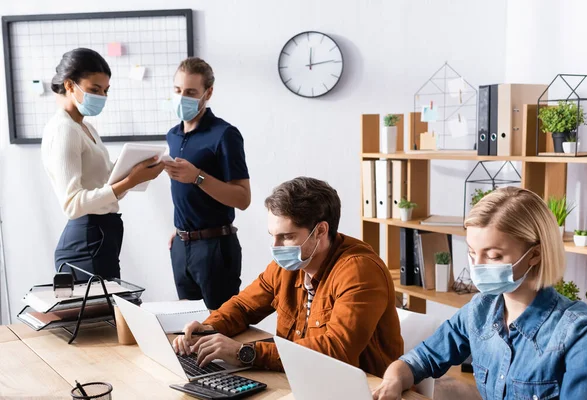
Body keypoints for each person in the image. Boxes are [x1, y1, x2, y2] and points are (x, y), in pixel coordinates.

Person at [373, 187, 587, 400]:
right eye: (472, 253)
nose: (477, 267)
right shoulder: (480, 310)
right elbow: (420, 359)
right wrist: (394, 378)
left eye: (493, 256)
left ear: (535, 255)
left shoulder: (581, 335)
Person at [172, 177, 402, 378]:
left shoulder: (359, 271)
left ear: (321, 231)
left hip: (357, 387)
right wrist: (209, 328)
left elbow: (338, 349)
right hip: (301, 376)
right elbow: (243, 307)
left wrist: (244, 353)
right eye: (272, 236)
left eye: (287, 236)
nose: (275, 247)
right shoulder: (287, 266)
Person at [42, 48, 164, 280]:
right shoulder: (64, 130)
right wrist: (130, 180)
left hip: (101, 235)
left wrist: (133, 173)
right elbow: (72, 204)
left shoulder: (85, 127)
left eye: (106, 91)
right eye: (94, 90)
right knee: (103, 314)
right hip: (86, 241)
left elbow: (104, 187)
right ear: (69, 86)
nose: (102, 97)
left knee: (109, 311)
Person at [163, 57, 250, 310]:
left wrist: (197, 176)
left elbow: (243, 198)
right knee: (187, 326)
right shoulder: (173, 134)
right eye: (178, 91)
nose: (182, 98)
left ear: (208, 93)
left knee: (218, 328)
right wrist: (183, 230)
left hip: (215, 248)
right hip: (181, 245)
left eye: (191, 92)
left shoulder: (224, 134)